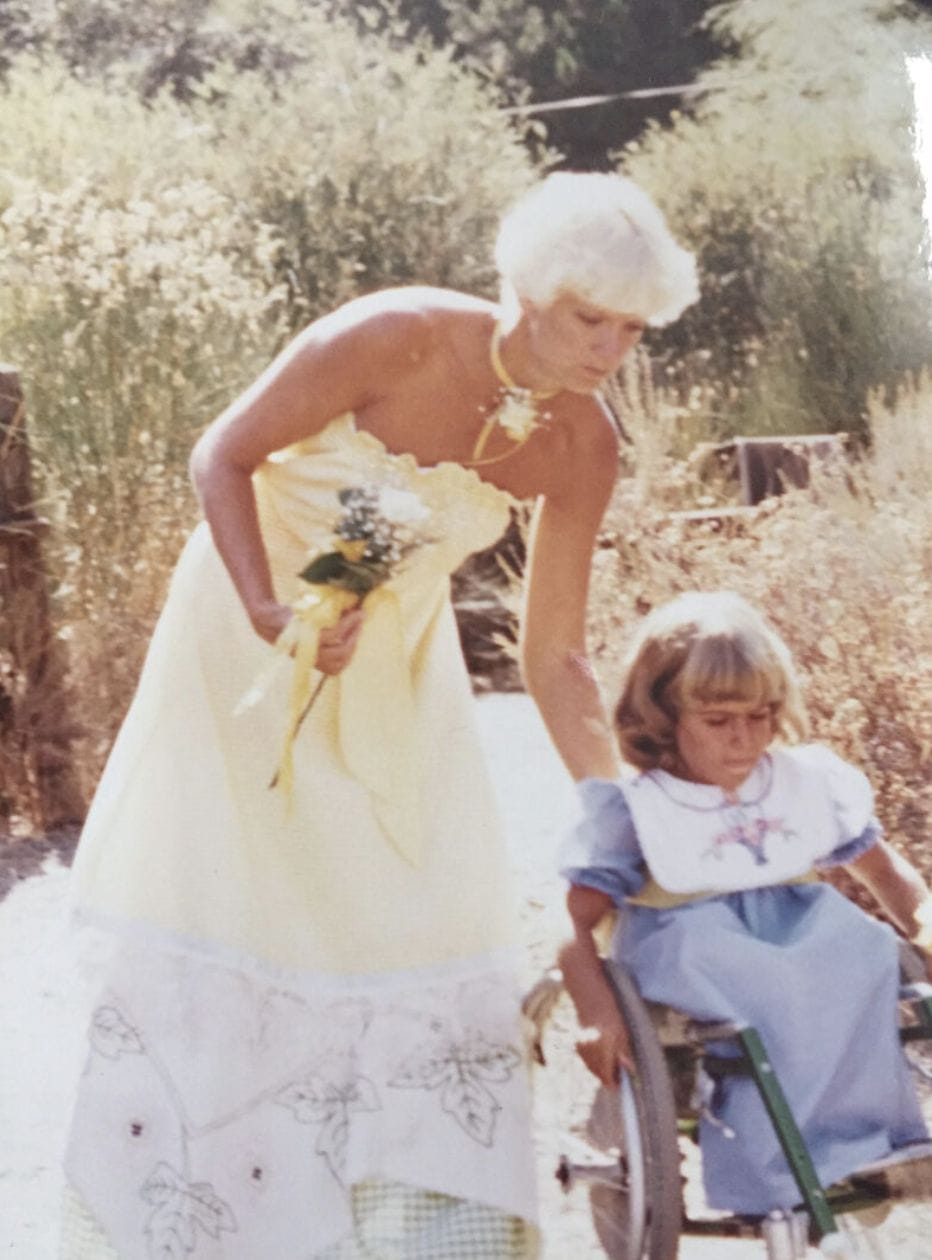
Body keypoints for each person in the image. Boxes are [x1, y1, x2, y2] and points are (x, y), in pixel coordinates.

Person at [60, 171, 699, 1259]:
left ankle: (412, 1234)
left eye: (631, 330)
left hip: (397, 670)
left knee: (421, 914)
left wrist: (619, 813)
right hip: (241, 645)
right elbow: (220, 453)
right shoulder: (392, 334)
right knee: (239, 908)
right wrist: (267, 606)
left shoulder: (581, 442)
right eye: (588, 318)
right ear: (525, 290)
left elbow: (553, 656)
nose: (606, 351)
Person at [558, 590, 932, 1216]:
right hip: (689, 939)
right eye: (718, 720)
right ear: (663, 718)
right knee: (759, 976)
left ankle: (870, 1137)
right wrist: (596, 1010)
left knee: (862, 947)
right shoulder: (640, 810)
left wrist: (922, 923)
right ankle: (782, 1161)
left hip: (797, 928)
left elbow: (885, 872)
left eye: (760, 716)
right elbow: (576, 925)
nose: (744, 738)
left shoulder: (803, 783)